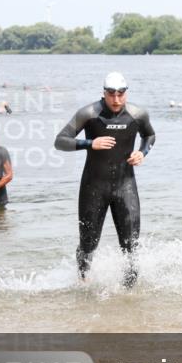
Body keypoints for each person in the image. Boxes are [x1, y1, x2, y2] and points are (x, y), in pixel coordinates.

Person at [54, 72, 155, 287]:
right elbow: (60, 141)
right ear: (104, 93)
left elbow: (150, 135)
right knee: (88, 244)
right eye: (111, 94)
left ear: (126, 93)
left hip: (125, 186)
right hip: (94, 187)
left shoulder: (138, 114)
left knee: (130, 244)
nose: (116, 99)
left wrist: (142, 152)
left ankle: (130, 292)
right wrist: (90, 143)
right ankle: (83, 282)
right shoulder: (89, 113)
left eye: (121, 94)